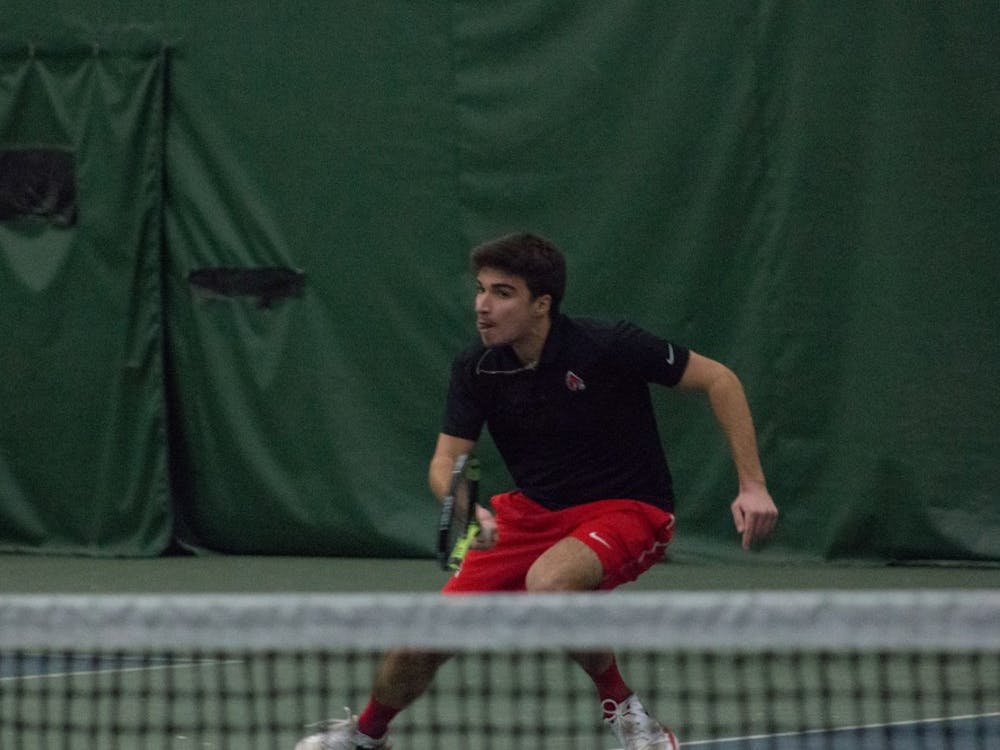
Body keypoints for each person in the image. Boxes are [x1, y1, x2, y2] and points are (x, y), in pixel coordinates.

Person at [295, 232, 778, 750]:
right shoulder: (476, 369)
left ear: (541, 304)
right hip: (532, 513)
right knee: (422, 637)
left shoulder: (605, 345)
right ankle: (366, 736)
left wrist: (752, 485)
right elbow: (444, 462)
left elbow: (720, 380)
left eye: (502, 293)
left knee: (549, 583)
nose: (482, 306)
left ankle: (625, 710)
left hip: (630, 508)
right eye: (480, 290)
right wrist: (465, 508)